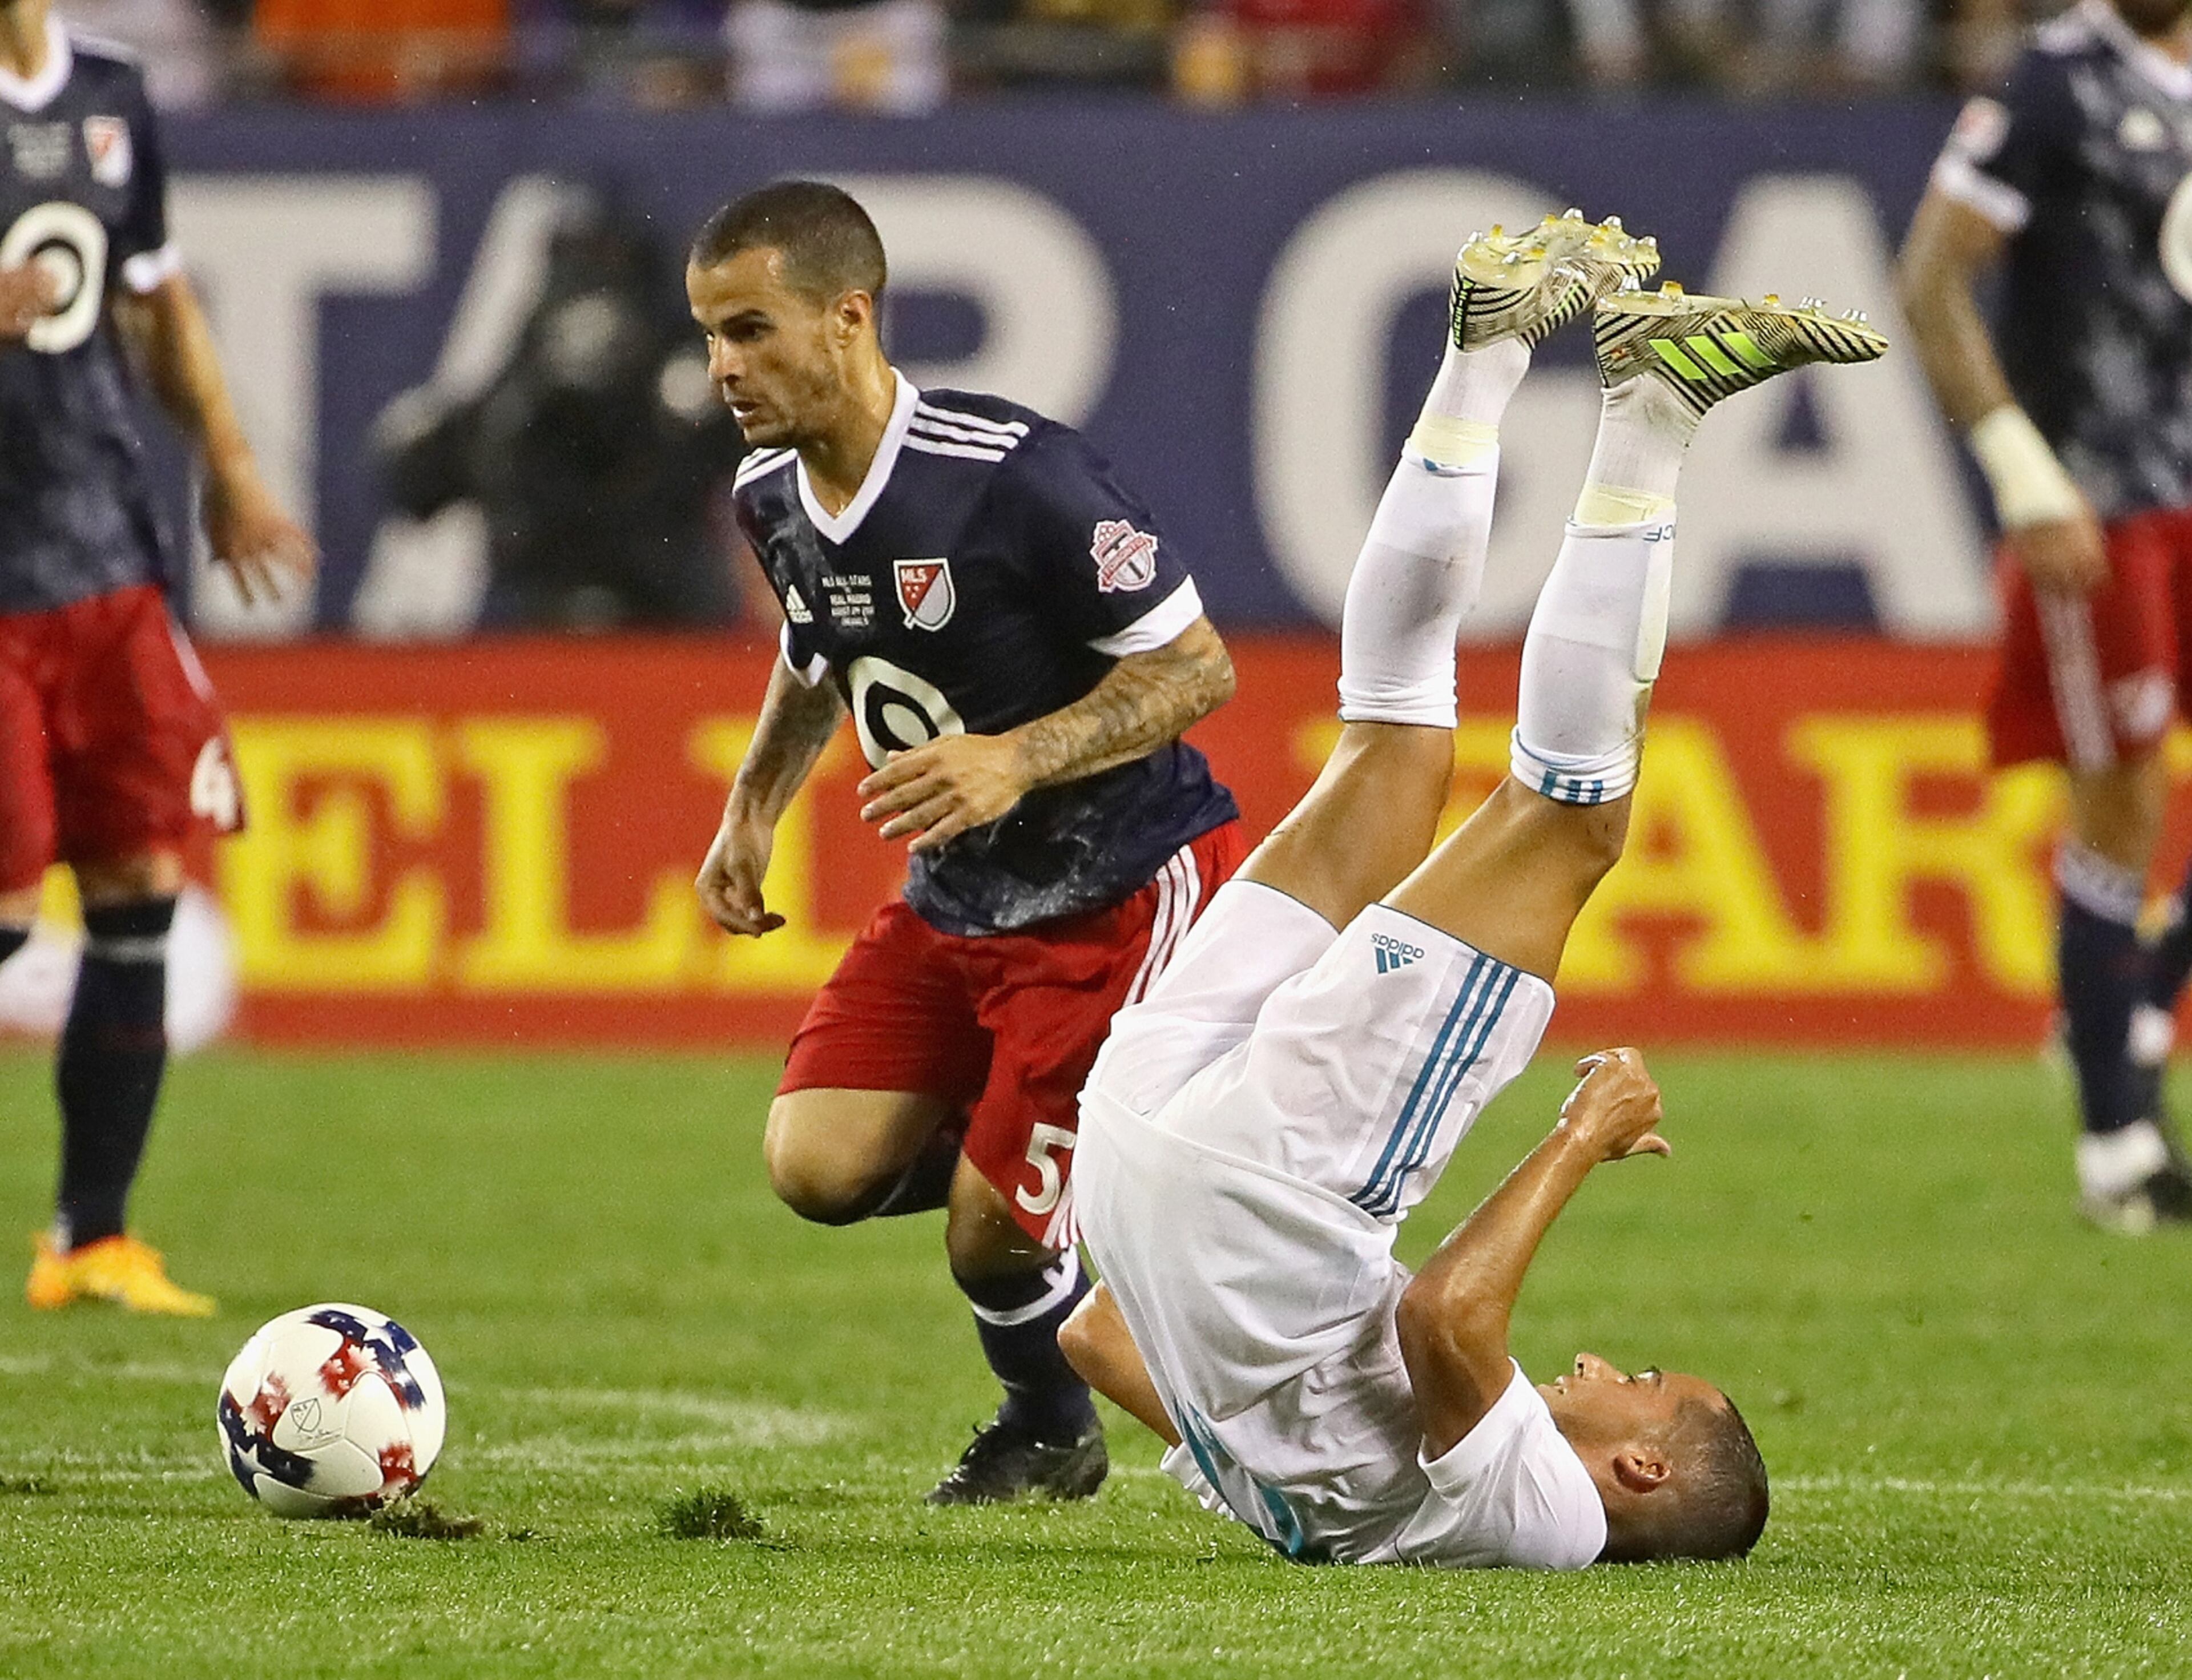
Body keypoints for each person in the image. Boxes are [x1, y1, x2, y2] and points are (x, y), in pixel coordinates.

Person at [1062, 212, 1885, 1566]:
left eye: (1647, 1380)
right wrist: (1237, 1409)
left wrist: (1584, 1134)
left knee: (1567, 823)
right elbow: (1095, 1334)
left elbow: (1447, 1320)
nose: (1608, 1355)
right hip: (1134, 1157)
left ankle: (1649, 410)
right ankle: (1488, 350)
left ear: (1640, 1462)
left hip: (1265, 1202)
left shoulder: (1556, 1523)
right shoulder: (1331, 1509)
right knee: (1394, 746)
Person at [687, 180, 1242, 1503]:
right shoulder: (771, 494)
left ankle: (1049, 1424)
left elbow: (1197, 670)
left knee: (992, 1240)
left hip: (1116, 881)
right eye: (711, 336)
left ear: (848, 317)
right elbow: (817, 647)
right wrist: (752, 807)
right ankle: (1081, 1167)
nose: (724, 368)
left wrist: (1017, 753)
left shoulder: (1018, 478)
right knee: (815, 1168)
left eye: (753, 331)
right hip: (959, 898)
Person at [0, 0, 313, 1311]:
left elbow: (155, 297)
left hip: (106, 562)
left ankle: (93, 1235)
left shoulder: (112, 93)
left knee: (136, 879)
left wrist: (232, 467)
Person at [1899, 0, 2192, 1232]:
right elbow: (1930, 283)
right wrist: (2026, 475)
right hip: (2101, 497)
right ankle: (2116, 1147)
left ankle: (2127, 1005)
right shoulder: (2055, 85)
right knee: (2121, 792)